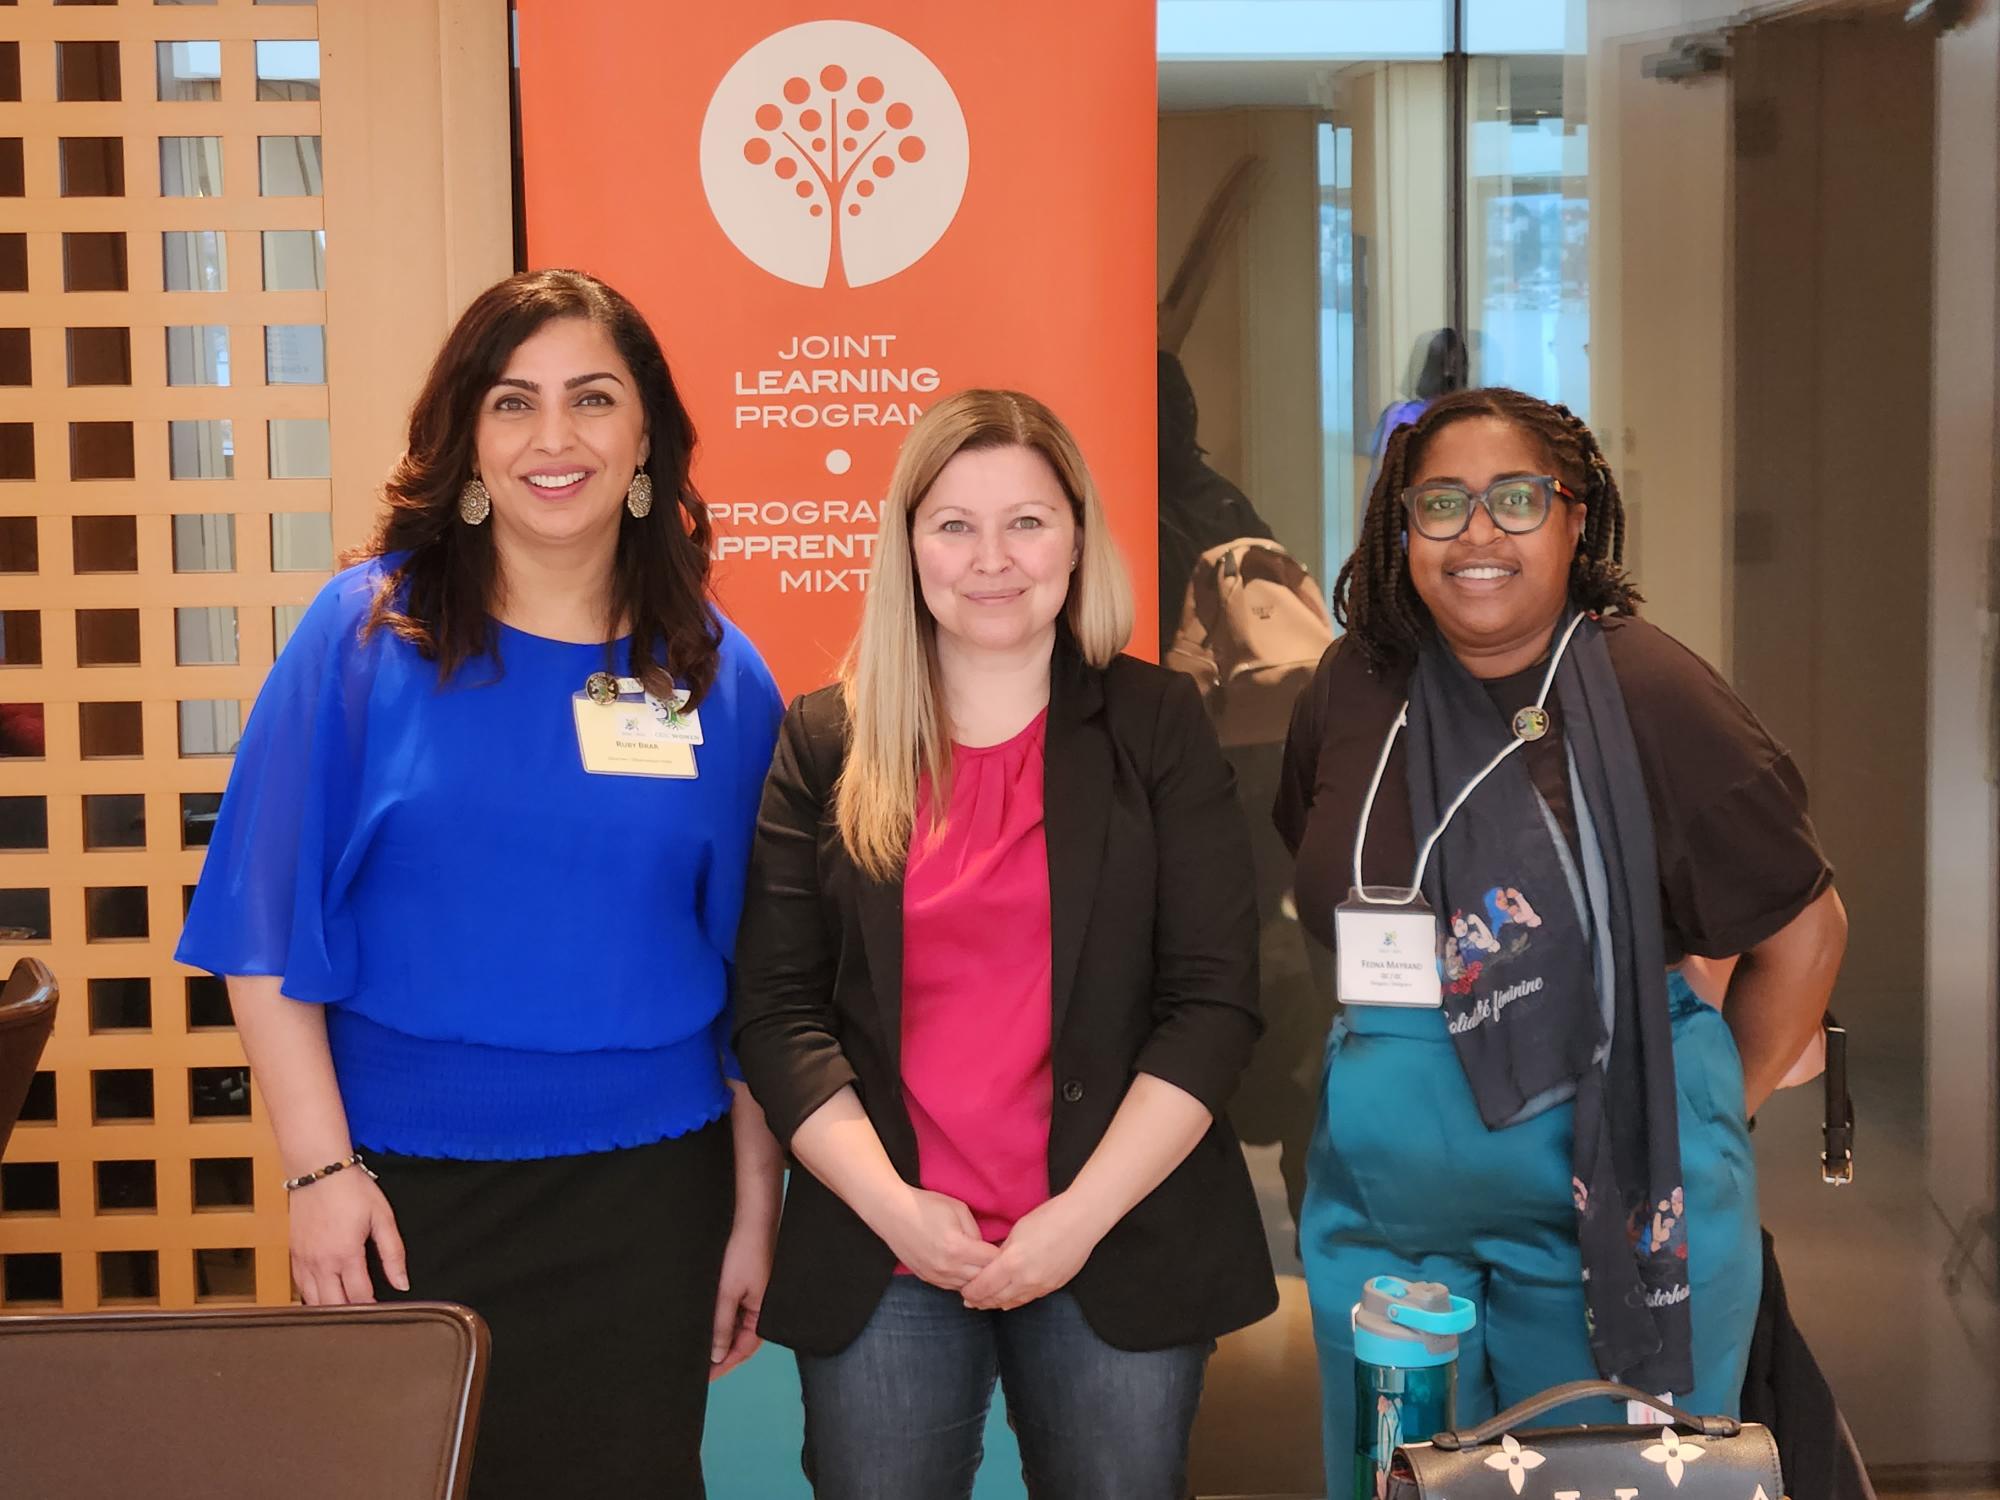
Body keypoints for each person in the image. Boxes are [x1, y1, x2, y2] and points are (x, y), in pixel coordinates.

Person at [175, 269, 786, 1499]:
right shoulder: (360, 638)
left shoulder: (716, 679)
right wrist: (318, 1175)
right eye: (513, 404)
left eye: (591, 400)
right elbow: (256, 932)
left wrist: (752, 1215)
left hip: (646, 1202)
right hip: (401, 1198)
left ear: (646, 439)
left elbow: (762, 987)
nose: (553, 440)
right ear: (468, 440)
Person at [1275, 386, 1847, 1484]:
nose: (1477, 532)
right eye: (1440, 502)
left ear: (1575, 519)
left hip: (1606, 1215)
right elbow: (1326, 873)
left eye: (1515, 499)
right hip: (1384, 1222)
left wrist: (1692, 1113)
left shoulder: (1654, 694)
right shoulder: (1351, 688)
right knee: (1396, 1485)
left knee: (1600, 1481)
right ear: (1402, 526)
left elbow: (1804, 931)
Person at [733, 389, 1278, 1500]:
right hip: (886, 1248)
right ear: (906, 545)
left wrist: (1073, 1221)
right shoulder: (824, 742)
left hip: (1111, 1235)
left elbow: (1212, 1004)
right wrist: (895, 1210)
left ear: (1076, 538)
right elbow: (777, 1014)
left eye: (1025, 521)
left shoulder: (1156, 725)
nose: (992, 558)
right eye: (953, 524)